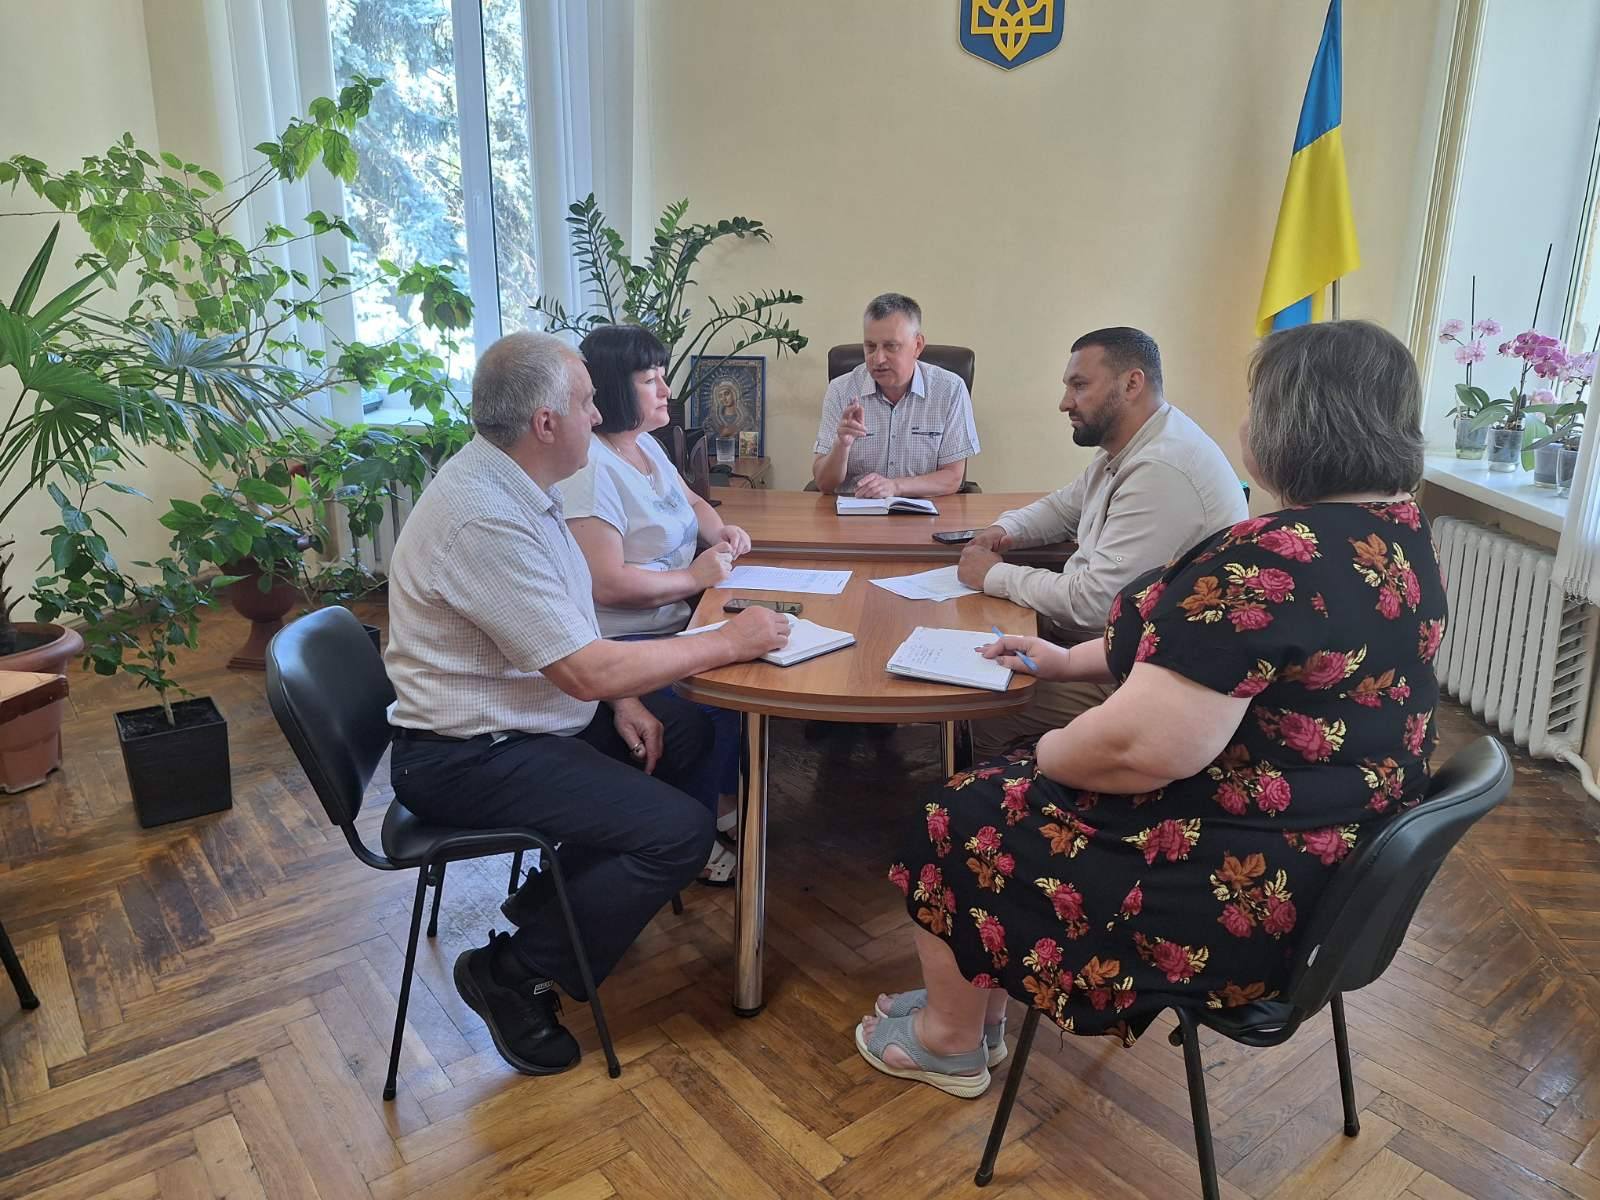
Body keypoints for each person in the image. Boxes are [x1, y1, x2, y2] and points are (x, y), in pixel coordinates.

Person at [858, 320, 1444, 1098]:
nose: (1245, 420)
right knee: (1001, 784)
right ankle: (971, 1008)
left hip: (1251, 889)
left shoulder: (1273, 557)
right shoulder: (1397, 535)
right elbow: (1212, 654)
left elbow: (1140, 750)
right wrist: (1066, 663)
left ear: (1295, 423)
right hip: (1342, 861)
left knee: (956, 813)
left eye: (1256, 402)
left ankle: (950, 1040)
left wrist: (1048, 754)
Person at [384, 331, 789, 1077]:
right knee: (678, 832)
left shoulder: (518, 486)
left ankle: (556, 906)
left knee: (684, 730)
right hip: (464, 755)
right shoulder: (484, 518)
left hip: (521, 718)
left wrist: (627, 695)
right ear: (545, 423)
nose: (599, 415)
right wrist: (728, 643)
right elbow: (582, 667)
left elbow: (570, 630)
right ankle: (510, 973)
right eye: (586, 402)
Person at [955, 327, 1246, 755]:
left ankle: (995, 787)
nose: (1064, 402)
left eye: (1079, 385)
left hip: (1132, 674)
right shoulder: (1131, 444)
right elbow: (1064, 507)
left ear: (1131, 384)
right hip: (1098, 647)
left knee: (985, 703)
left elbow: (1096, 604)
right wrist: (1006, 530)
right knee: (976, 644)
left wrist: (994, 576)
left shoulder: (1162, 470)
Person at [564, 324, 750, 885]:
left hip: (675, 622)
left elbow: (692, 501)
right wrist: (692, 575)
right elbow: (606, 584)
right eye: (651, 380)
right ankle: (694, 830)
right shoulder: (591, 469)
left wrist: (721, 533)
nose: (666, 390)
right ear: (614, 389)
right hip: (621, 640)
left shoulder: (644, 444)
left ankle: (715, 804)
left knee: (742, 680)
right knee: (718, 701)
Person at [812, 293, 980, 498]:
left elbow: (952, 477)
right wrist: (842, 445)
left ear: (917, 345)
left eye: (891, 346)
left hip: (922, 511)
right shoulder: (841, 390)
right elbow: (824, 484)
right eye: (870, 347)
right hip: (855, 509)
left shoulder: (949, 389)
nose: (878, 359)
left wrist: (895, 487)